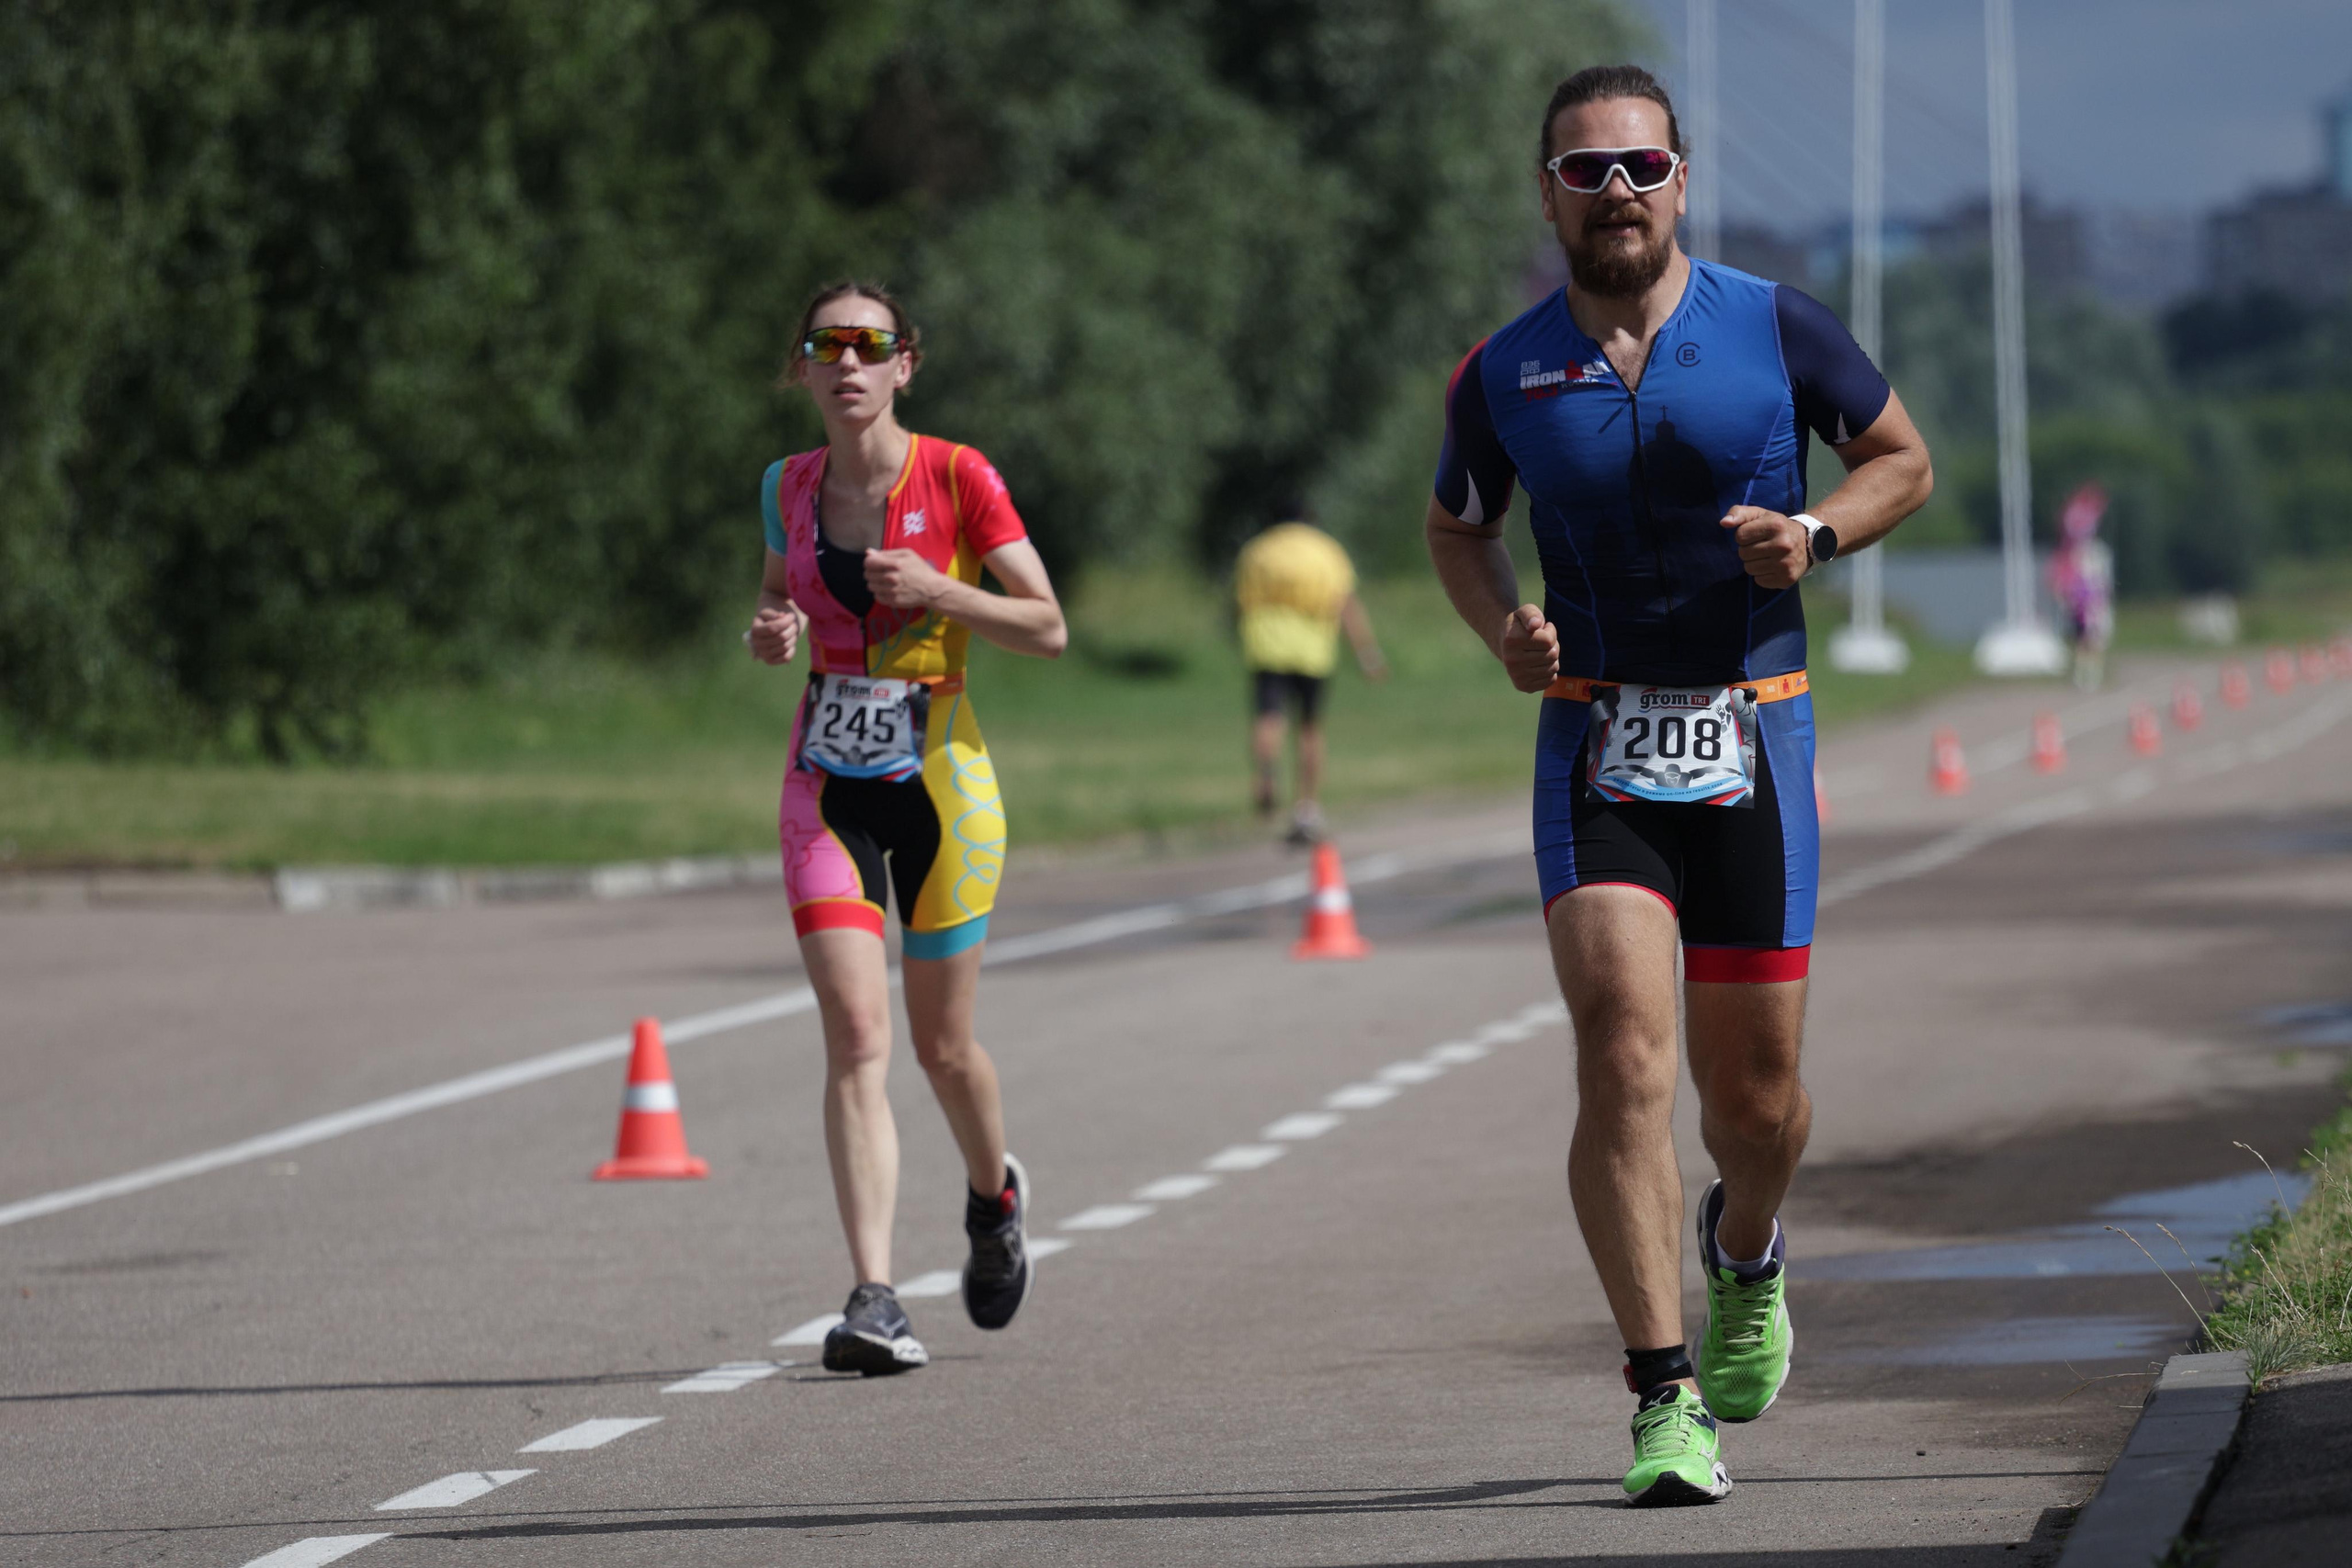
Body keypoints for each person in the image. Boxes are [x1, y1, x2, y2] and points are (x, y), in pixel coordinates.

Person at [1424, 67, 1932, 1504]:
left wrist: (1819, 537)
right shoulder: (1504, 369)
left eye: (1641, 168)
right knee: (1622, 1054)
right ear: (1549, 194)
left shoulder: (1777, 329)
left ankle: (1746, 1249)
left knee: (1755, 1102)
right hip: (1595, 742)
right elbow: (1456, 528)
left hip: (1753, 733)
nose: (1618, 195)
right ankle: (1661, 1394)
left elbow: (1903, 459)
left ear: (1683, 179)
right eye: (1587, 174)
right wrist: (1504, 628)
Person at [748, 281, 1069, 1376]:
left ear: (903, 365)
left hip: (941, 785)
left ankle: (993, 1195)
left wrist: (941, 589)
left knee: (940, 1048)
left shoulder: (957, 475)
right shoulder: (784, 487)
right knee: (855, 1035)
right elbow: (779, 595)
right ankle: (874, 1295)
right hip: (822, 783)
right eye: (823, 345)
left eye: (867, 344)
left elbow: (1049, 625)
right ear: (800, 369)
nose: (845, 363)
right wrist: (774, 627)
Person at [1233, 513, 1387, 844]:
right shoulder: (1326, 550)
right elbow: (1345, 603)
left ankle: (1265, 776)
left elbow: (1242, 600)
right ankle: (1306, 807)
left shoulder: (1258, 550)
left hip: (1266, 643)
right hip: (1313, 648)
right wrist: (1367, 654)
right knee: (1309, 726)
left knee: (1269, 716)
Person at [2049, 482, 2114, 691]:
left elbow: (2102, 586)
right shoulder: (2079, 557)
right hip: (2083, 607)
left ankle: (2090, 675)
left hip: (2091, 606)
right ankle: (2084, 675)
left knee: (2092, 642)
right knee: (2084, 641)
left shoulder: (2094, 555)